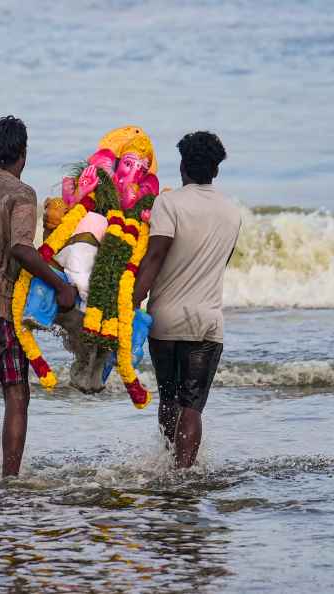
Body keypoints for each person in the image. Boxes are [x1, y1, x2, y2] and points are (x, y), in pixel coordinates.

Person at [0, 115, 77, 477]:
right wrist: (61, 286)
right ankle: (9, 477)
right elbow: (21, 249)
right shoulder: (22, 193)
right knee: (16, 392)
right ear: (23, 154)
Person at [132, 131, 240, 468]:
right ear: (216, 170)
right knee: (192, 405)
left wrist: (129, 304)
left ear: (182, 166)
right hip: (207, 322)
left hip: (166, 321)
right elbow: (221, 262)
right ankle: (184, 474)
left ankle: (168, 464)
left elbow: (154, 259)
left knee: (169, 399)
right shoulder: (232, 212)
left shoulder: (170, 203)